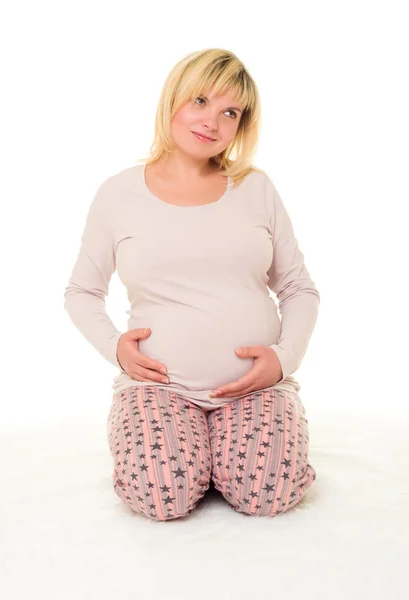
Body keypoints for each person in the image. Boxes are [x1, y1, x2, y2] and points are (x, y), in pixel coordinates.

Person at [64, 48, 320, 521]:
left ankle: (224, 455)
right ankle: (191, 453)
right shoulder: (119, 194)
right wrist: (115, 348)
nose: (212, 122)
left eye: (230, 113)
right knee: (160, 499)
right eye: (200, 100)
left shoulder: (255, 188)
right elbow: (81, 291)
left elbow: (298, 287)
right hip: (160, 387)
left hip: (254, 389)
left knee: (269, 496)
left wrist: (284, 361)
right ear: (173, 100)